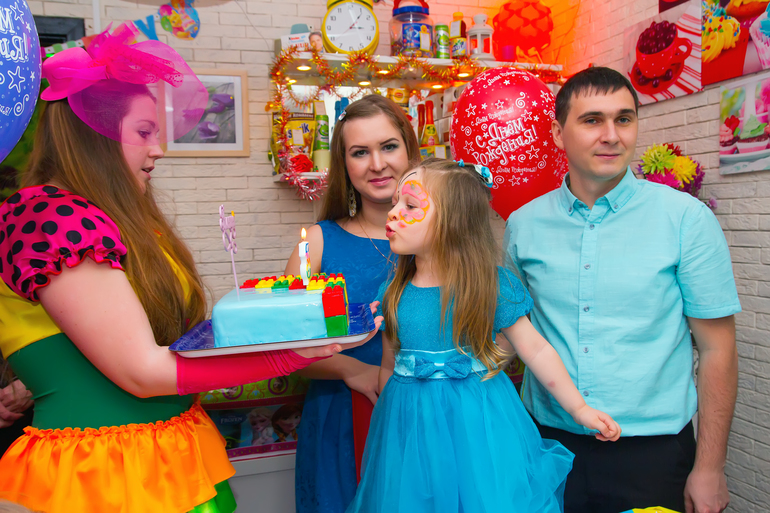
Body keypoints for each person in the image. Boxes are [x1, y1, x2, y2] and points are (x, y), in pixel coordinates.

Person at [0, 24, 378, 513]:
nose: (158, 149)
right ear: (95, 134)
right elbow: (142, 371)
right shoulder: (50, 215)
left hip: (168, 453)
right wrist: (289, 355)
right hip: (105, 472)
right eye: (144, 132)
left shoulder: (117, 220)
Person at [504, 67, 741, 513]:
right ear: (558, 134)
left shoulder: (685, 219)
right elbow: (513, 336)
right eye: (592, 120)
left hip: (652, 455)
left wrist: (710, 467)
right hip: (548, 444)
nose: (611, 135)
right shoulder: (523, 225)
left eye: (624, 119)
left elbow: (717, 349)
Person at [346, 158, 621, 513]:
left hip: (479, 429)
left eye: (410, 205)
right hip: (412, 431)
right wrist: (391, 430)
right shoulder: (393, 293)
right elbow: (389, 365)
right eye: (395, 202)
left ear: (453, 221)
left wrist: (579, 408)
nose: (393, 212)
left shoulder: (491, 286)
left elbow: (536, 350)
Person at [285, 94, 420, 513]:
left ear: (411, 151)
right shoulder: (316, 244)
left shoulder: (444, 243)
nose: (377, 164)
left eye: (389, 146)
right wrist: (351, 369)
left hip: (425, 419)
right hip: (340, 421)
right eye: (360, 152)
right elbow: (283, 350)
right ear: (344, 164)